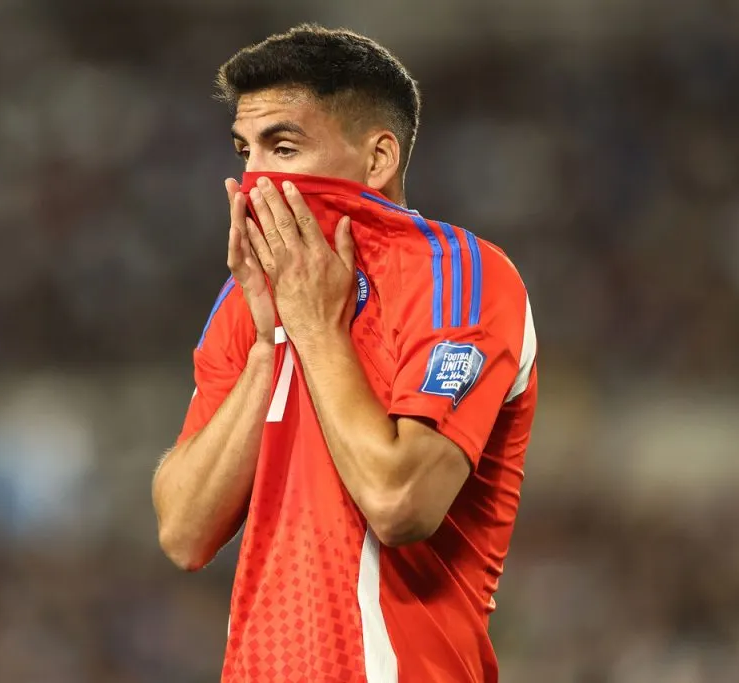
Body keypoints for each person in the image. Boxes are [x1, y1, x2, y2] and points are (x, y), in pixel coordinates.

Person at [152, 24, 537, 683]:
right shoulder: (248, 298)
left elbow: (400, 501)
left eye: (283, 147)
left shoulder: (461, 279)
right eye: (245, 151)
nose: (255, 178)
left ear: (378, 158)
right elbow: (184, 532)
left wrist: (315, 329)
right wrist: (269, 346)